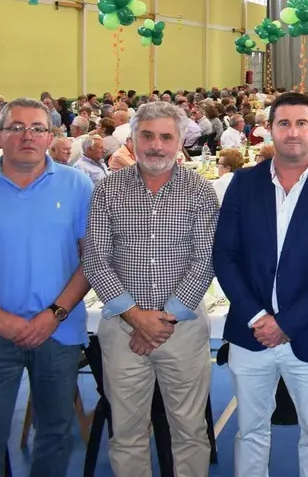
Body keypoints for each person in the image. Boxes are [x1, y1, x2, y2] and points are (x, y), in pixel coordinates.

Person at [213, 92, 308, 476]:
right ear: (270, 130)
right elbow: (224, 257)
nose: (292, 132)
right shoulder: (242, 185)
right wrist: (259, 316)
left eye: (301, 123)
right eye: (284, 123)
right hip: (251, 331)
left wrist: (286, 323)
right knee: (251, 431)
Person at [83, 101, 218, 476]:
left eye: (165, 137)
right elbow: (96, 259)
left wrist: (162, 320)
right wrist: (135, 316)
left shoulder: (200, 191)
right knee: (126, 433)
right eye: (147, 136)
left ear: (179, 142)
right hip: (123, 329)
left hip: (183, 328)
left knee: (190, 430)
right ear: (133, 139)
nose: (156, 145)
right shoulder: (108, 190)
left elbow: (205, 260)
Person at [0, 98, 93, 477]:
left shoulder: (78, 185)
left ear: (51, 136)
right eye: (17, 127)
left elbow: (91, 260)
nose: (28, 136)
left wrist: (54, 315)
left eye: (38, 128)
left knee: (56, 434)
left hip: (58, 335)